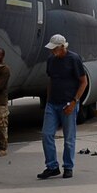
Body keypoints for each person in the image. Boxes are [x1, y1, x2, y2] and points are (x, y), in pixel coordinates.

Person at [37, 34, 88, 180]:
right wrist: (47, 100)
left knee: (69, 138)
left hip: (68, 104)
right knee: (46, 134)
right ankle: (52, 166)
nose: (53, 52)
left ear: (62, 47)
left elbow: (83, 82)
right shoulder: (51, 60)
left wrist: (74, 102)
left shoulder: (73, 59)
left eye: (55, 49)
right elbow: (51, 81)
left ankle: (68, 166)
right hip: (52, 104)